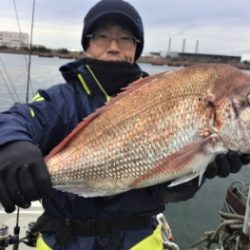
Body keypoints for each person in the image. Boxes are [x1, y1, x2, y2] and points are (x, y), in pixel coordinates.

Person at [0, 0, 249, 249]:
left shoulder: (160, 95)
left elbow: (171, 190)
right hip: (64, 239)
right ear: (86, 46)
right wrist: (12, 143)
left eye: (125, 39)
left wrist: (203, 170)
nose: (113, 46)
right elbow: (16, 119)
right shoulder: (59, 100)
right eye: (101, 37)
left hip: (139, 240)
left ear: (135, 48)